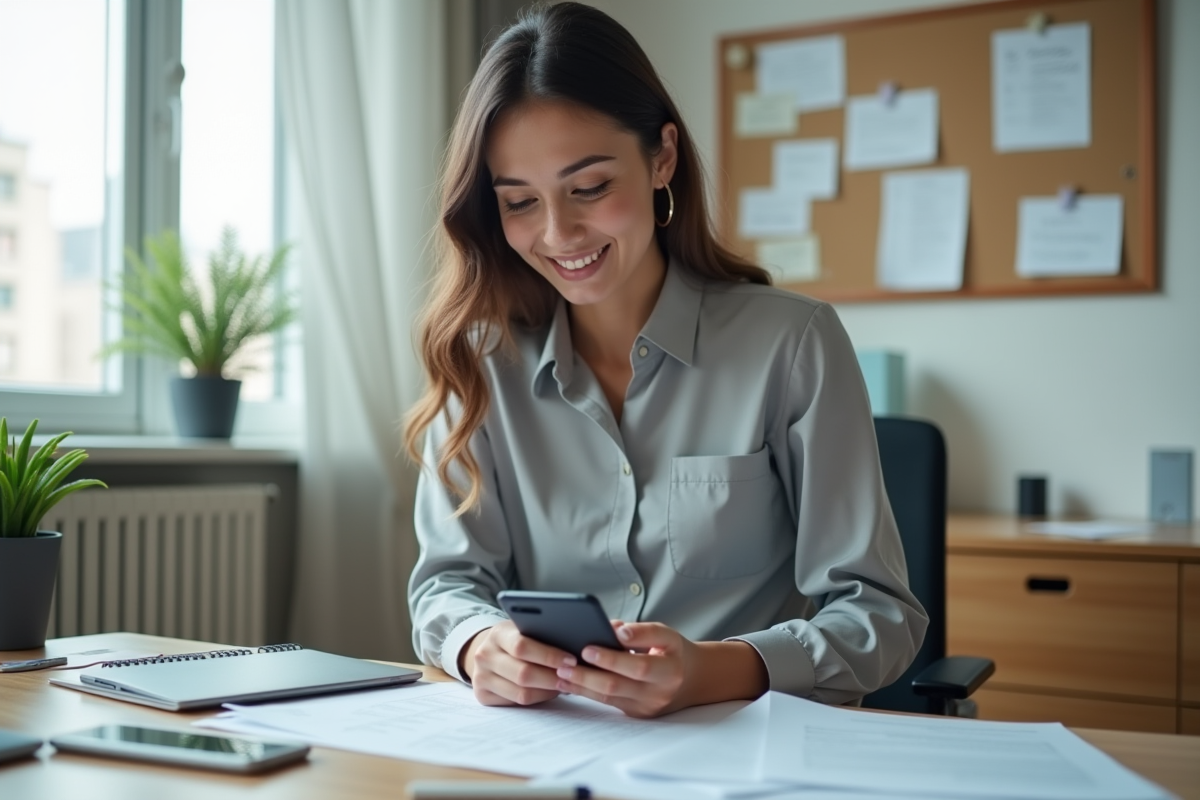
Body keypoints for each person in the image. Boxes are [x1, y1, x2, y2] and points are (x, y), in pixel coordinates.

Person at [405, 2, 927, 719]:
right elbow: (445, 586)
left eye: (589, 188)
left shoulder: (791, 344)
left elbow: (880, 618)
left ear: (663, 158)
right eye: (520, 201)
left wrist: (715, 671)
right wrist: (477, 644)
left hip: (747, 750)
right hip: (552, 748)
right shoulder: (480, 363)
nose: (559, 233)